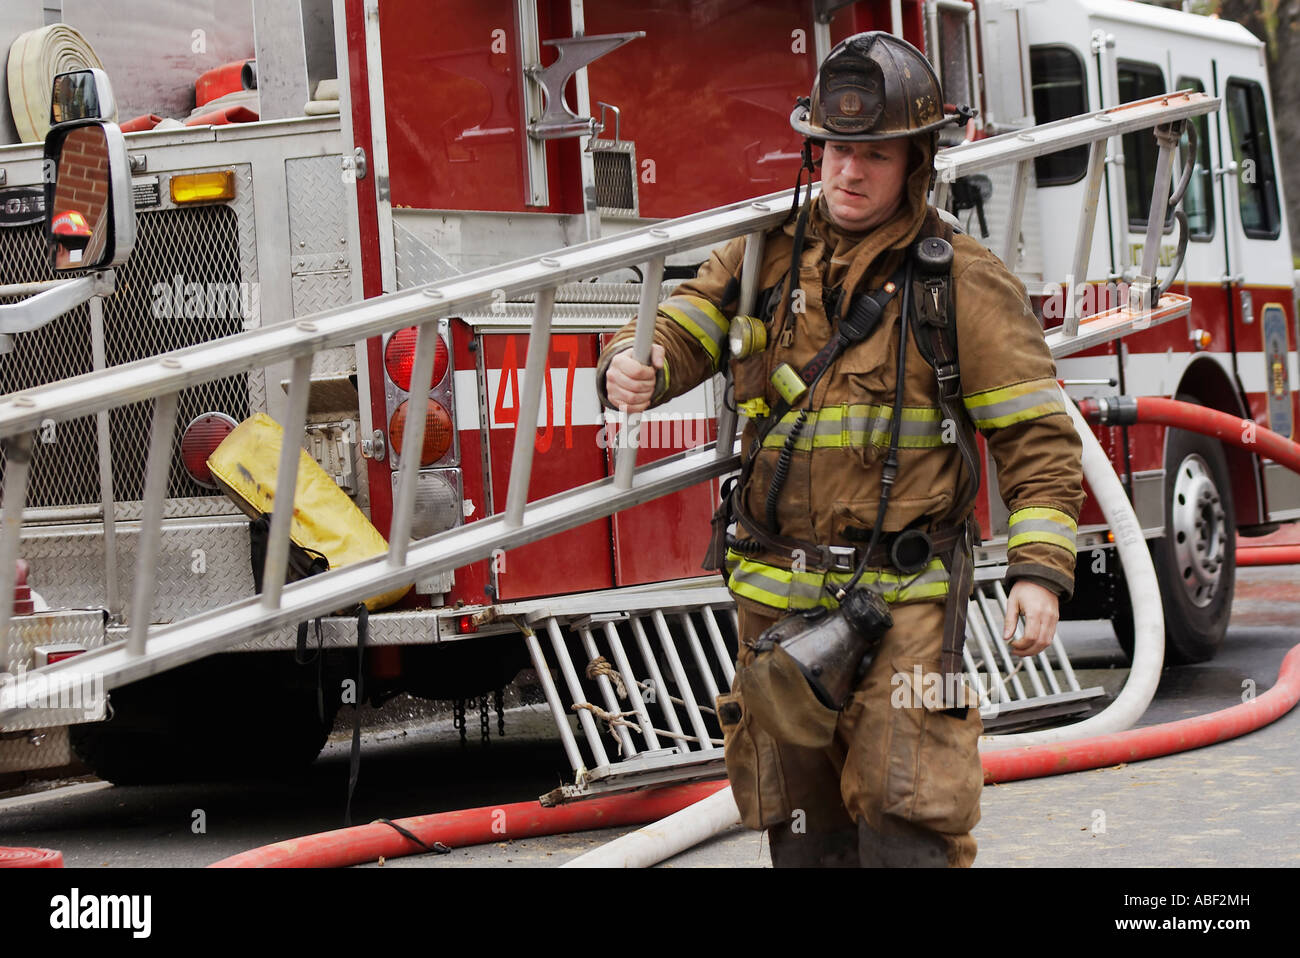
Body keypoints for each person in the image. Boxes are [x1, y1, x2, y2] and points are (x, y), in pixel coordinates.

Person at [596, 31, 1084, 867]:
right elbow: (680, 327)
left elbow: (1036, 436)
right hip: (775, 603)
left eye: (875, 155)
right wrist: (631, 364)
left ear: (917, 164)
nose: (848, 173)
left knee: (907, 818)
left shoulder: (960, 281)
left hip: (909, 607)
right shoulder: (762, 256)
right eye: (833, 150)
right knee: (803, 834)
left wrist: (1039, 572)